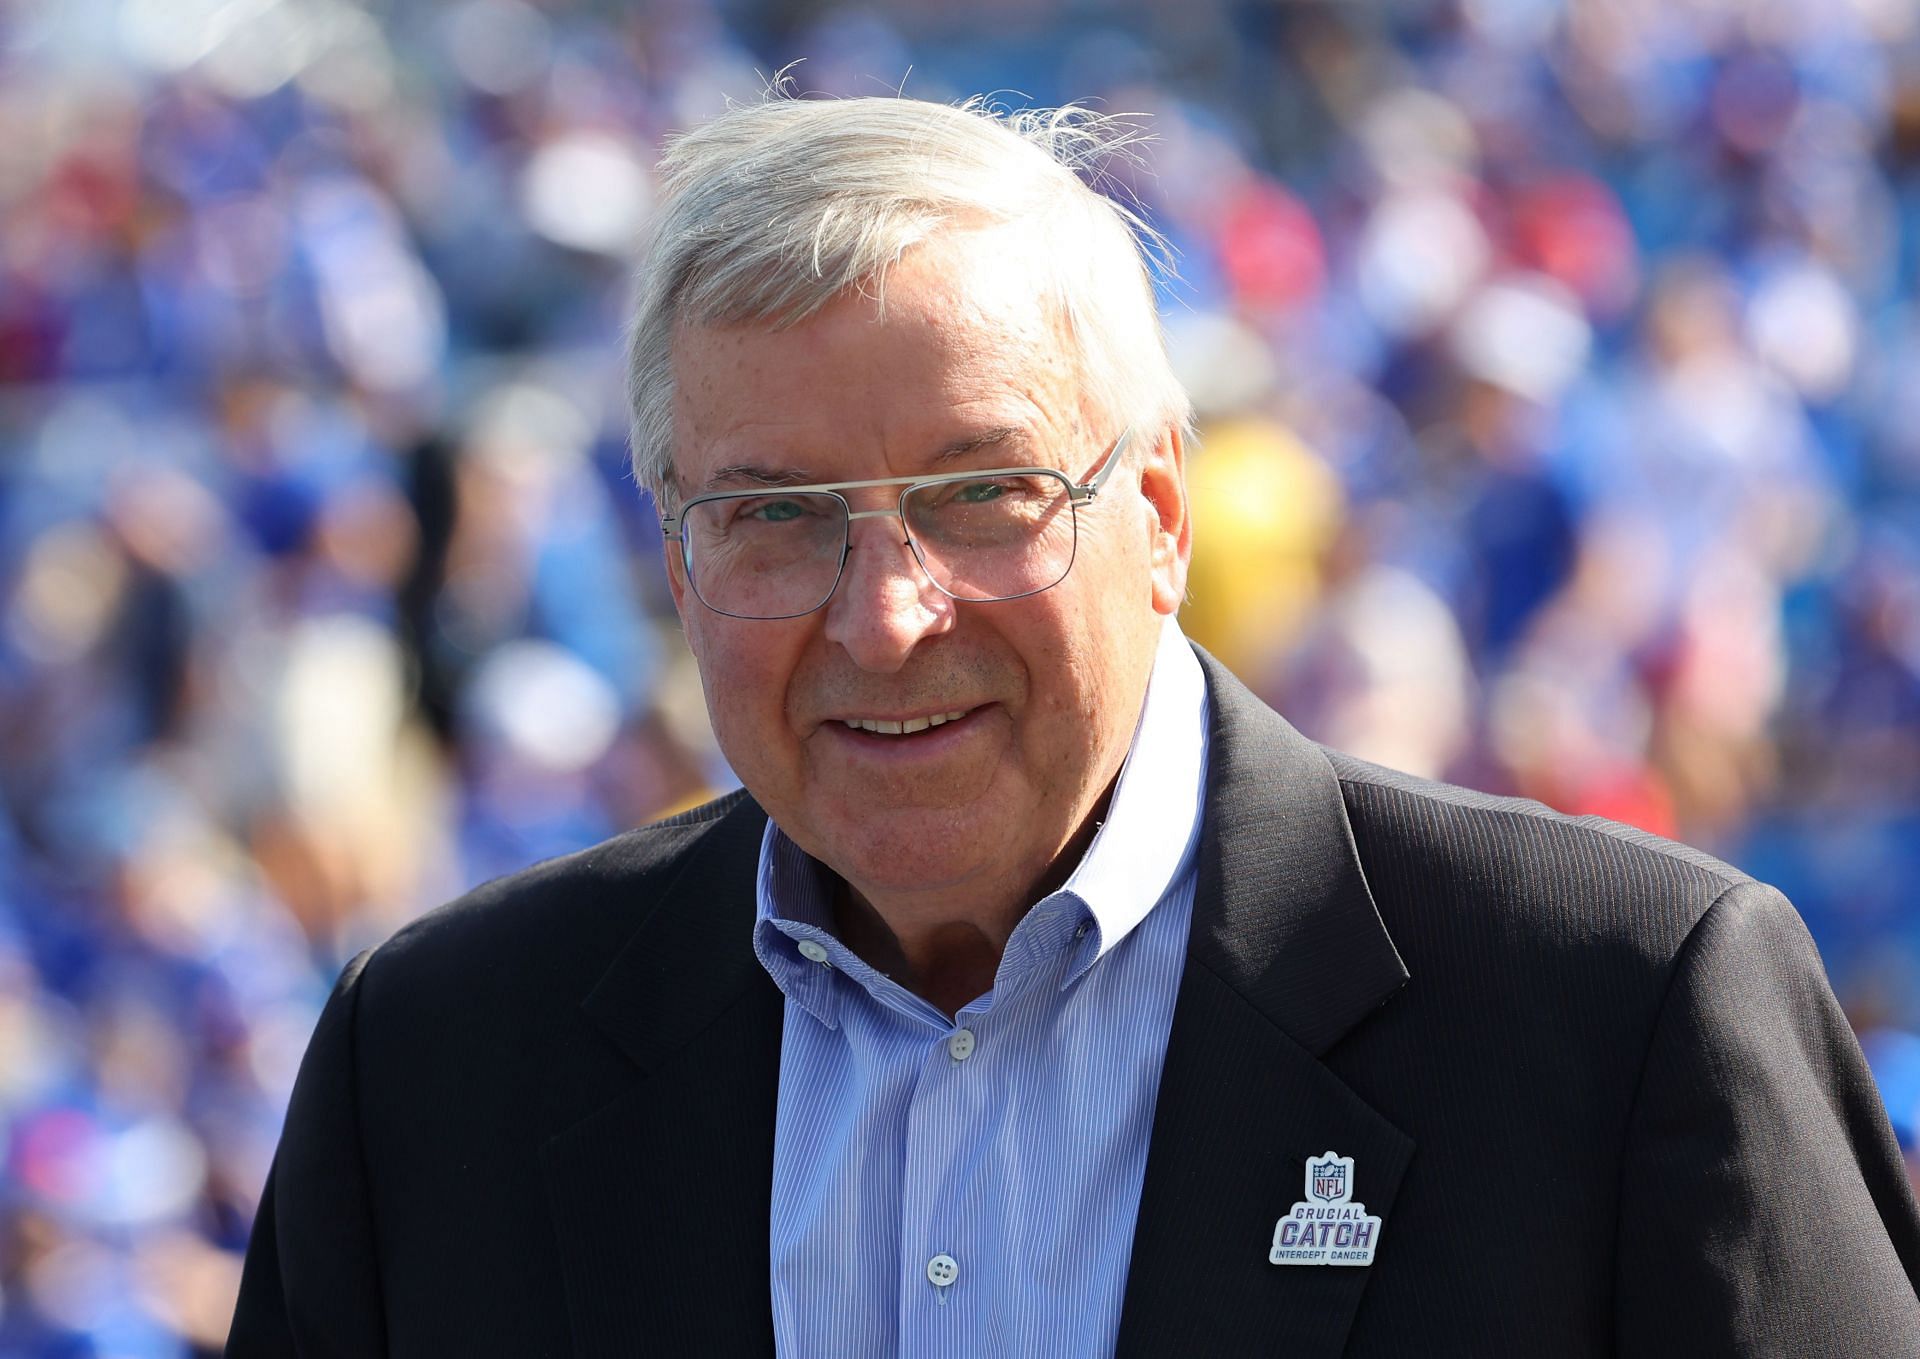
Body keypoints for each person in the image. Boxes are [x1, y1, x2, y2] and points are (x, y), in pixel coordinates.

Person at [227, 93, 1920, 1358]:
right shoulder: (436, 1066)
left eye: (984, 496)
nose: (884, 614)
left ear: (1165, 515)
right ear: (675, 555)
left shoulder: (1625, 1020)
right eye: (776, 515)